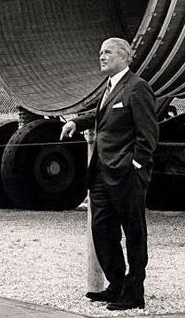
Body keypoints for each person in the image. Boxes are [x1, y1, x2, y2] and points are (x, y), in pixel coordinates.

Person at [60, 37, 159, 311]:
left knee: (134, 233)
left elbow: (148, 133)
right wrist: (76, 122)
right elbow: (102, 116)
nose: (101, 57)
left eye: (108, 52)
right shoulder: (110, 86)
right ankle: (116, 285)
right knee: (103, 230)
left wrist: (135, 165)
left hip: (126, 174)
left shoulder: (137, 87)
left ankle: (134, 292)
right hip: (102, 174)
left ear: (124, 57)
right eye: (101, 52)